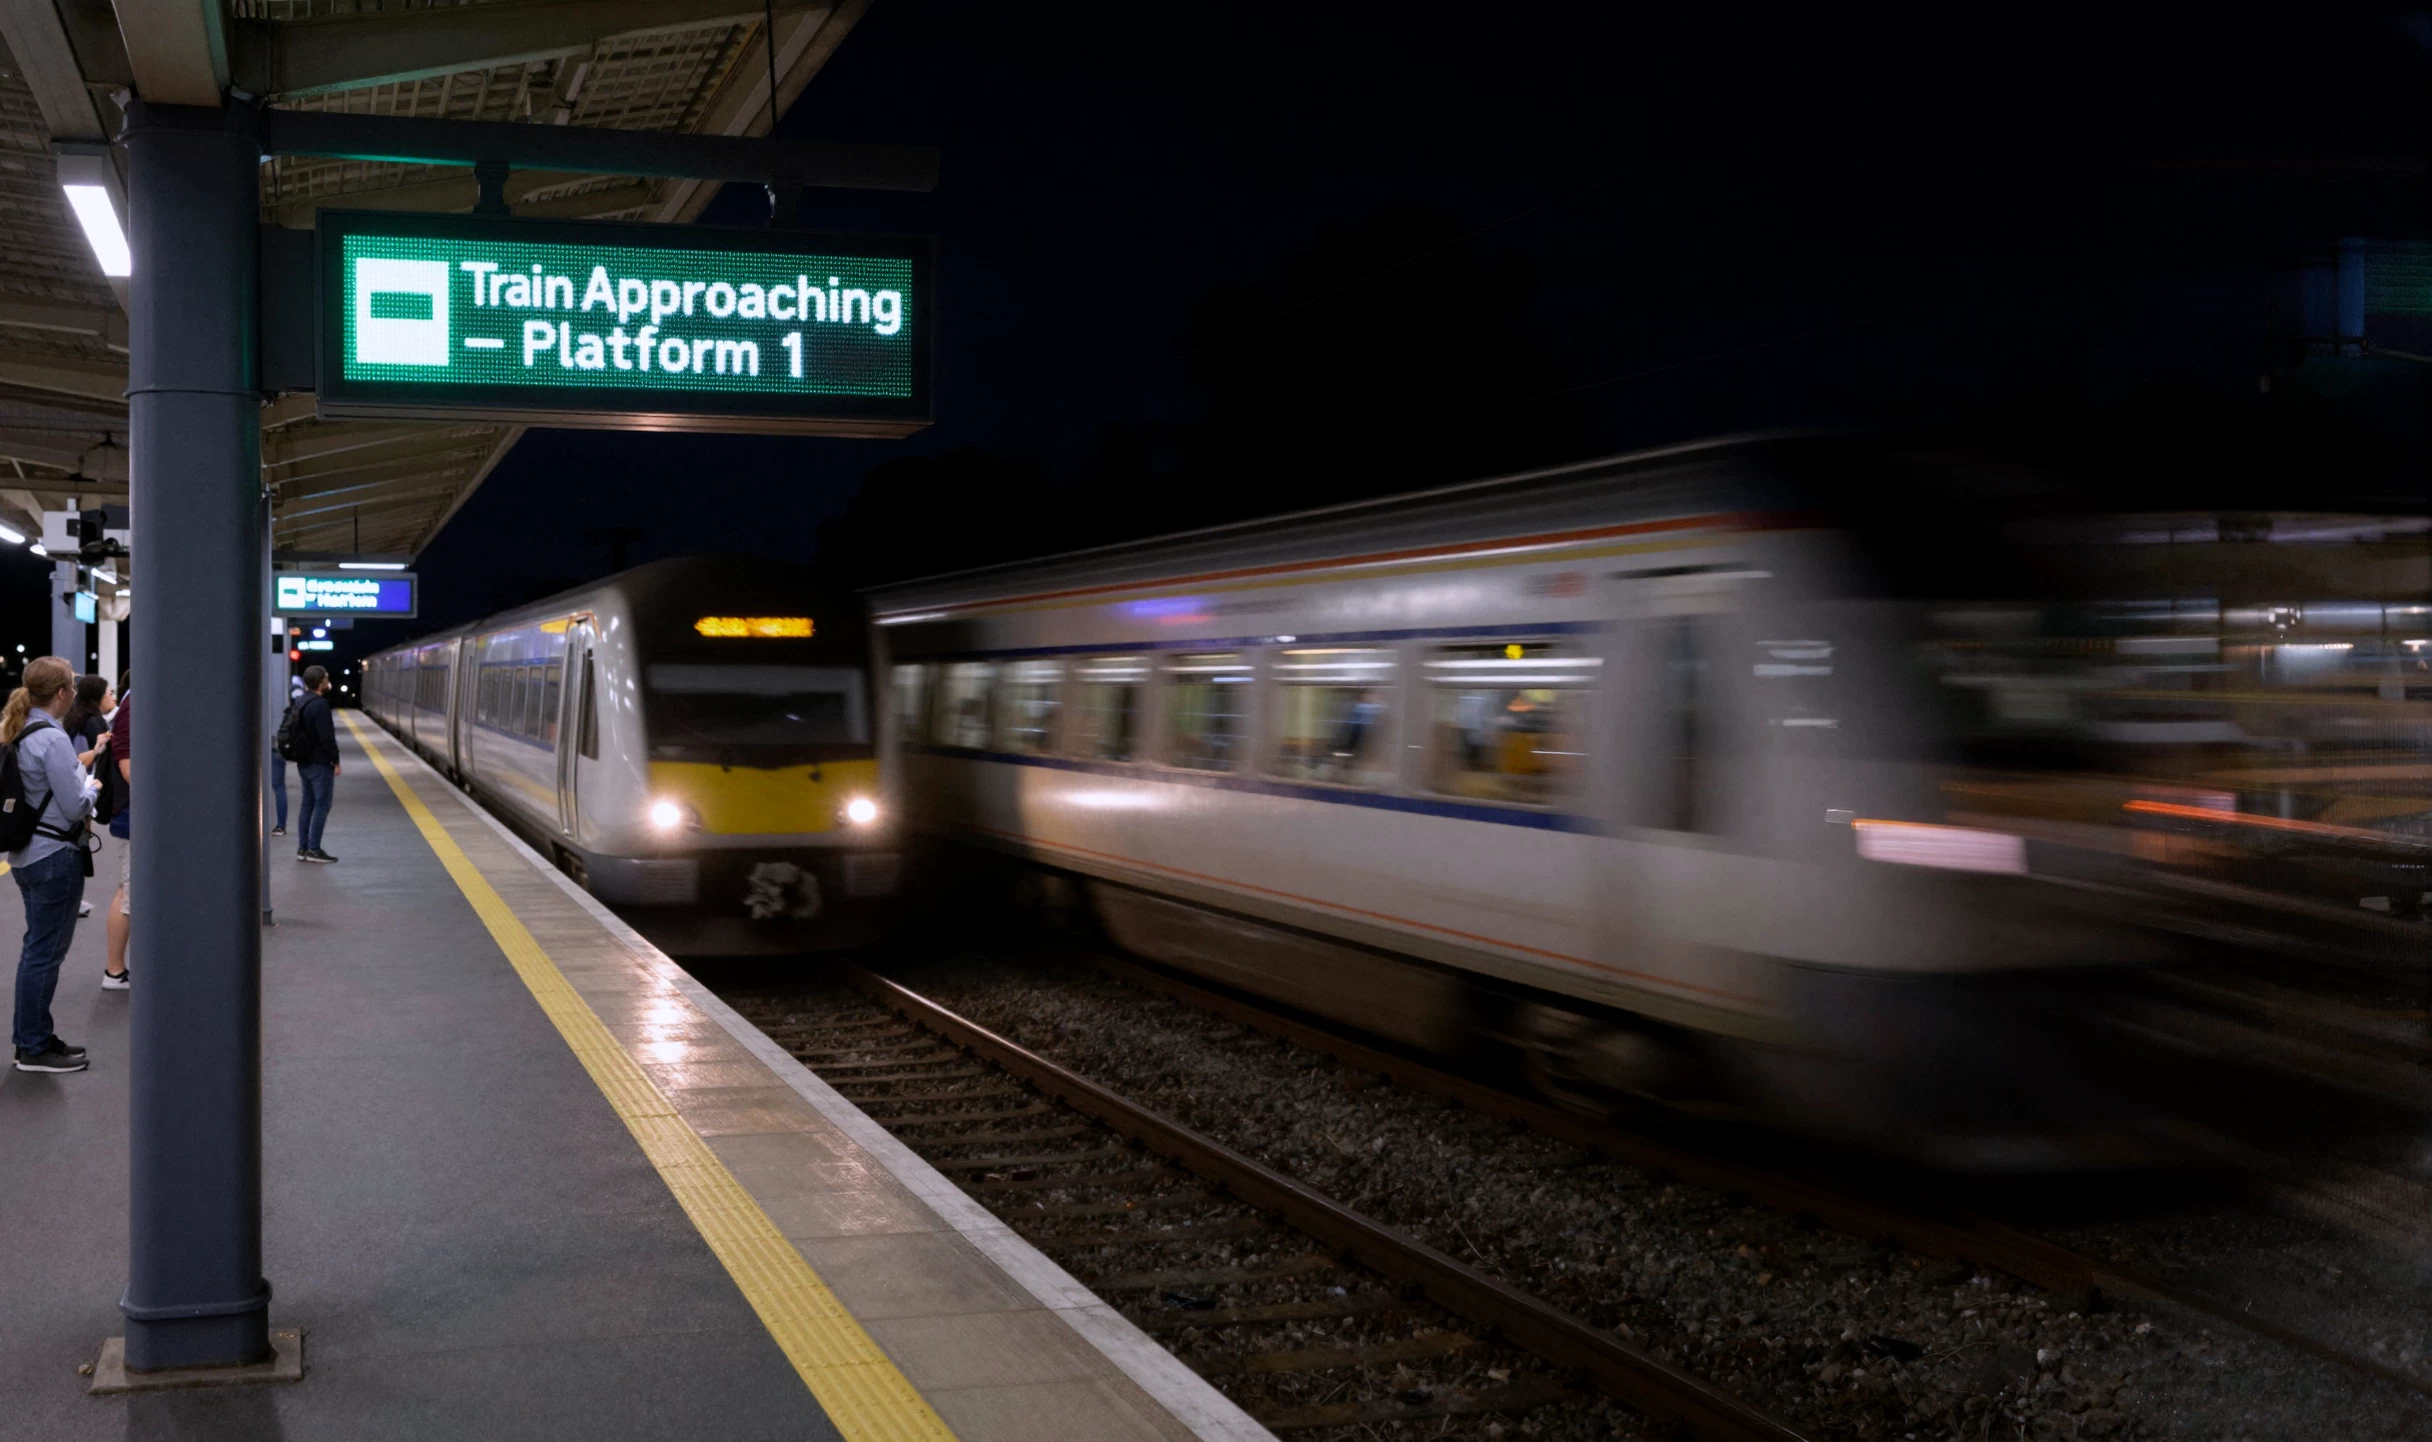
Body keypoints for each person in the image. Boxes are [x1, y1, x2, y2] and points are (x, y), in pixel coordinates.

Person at [7, 657, 96, 1072]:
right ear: (62, 693)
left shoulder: (19, 728)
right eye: (72, 687)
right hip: (55, 856)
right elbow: (75, 806)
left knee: (35, 950)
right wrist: (92, 787)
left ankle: (32, 1038)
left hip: (26, 855)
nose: (74, 693)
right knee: (44, 954)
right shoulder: (55, 739)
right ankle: (35, 1047)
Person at [61, 674, 112, 918]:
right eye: (108, 692)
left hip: (74, 785)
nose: (111, 697)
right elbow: (89, 759)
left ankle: (73, 896)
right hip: (86, 785)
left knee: (74, 840)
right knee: (79, 842)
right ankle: (73, 897)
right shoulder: (94, 723)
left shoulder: (73, 717)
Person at [294, 665, 340, 863]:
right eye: (326, 678)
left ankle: (303, 848)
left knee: (307, 804)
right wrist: (335, 761)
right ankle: (314, 849)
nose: (328, 681)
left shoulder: (301, 701)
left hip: (303, 761)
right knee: (322, 805)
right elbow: (327, 738)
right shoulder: (320, 705)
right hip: (320, 763)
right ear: (321, 682)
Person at [102, 682, 130, 990]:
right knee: (129, 893)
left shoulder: (130, 704)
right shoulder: (136, 705)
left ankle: (116, 969)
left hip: (132, 815)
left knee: (129, 890)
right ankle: (114, 971)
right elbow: (129, 770)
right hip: (135, 817)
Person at [270, 672, 303, 837]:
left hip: (266, 744)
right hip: (278, 746)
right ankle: (280, 825)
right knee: (279, 787)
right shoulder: (292, 686)